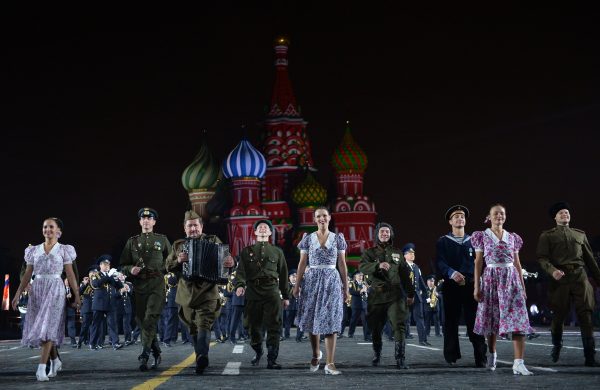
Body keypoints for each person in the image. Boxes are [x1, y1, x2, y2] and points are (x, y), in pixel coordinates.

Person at [11, 217, 81, 382]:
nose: (47, 229)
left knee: (48, 326)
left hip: (56, 289)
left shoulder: (65, 250)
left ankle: (41, 368)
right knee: (42, 327)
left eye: (51, 227)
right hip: (37, 290)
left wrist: (77, 295)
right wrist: (18, 292)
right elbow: (28, 273)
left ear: (59, 232)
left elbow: (70, 274)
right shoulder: (33, 250)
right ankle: (55, 360)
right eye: (44, 227)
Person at [165, 210, 234, 375]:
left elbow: (226, 260)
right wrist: (178, 261)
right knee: (193, 328)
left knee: (203, 323)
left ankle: (202, 356)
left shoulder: (213, 240)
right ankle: (200, 356)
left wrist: (231, 262)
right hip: (186, 294)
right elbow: (167, 266)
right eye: (190, 226)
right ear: (184, 228)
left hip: (208, 291)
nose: (193, 229)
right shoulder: (177, 245)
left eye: (196, 225)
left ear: (201, 226)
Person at [537, 202, 600, 367]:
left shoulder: (580, 235)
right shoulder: (547, 236)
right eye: (561, 213)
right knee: (558, 316)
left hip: (580, 277)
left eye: (567, 212)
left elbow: (590, 260)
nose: (565, 214)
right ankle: (557, 345)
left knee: (586, 315)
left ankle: (590, 356)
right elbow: (542, 258)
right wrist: (553, 271)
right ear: (555, 217)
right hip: (560, 280)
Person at [472, 204, 533, 375]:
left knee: (519, 319)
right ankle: (492, 354)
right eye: (495, 213)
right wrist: (477, 286)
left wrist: (522, 286)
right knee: (491, 319)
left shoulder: (513, 237)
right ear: (489, 217)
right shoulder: (481, 236)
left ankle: (519, 363)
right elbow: (478, 262)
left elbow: (517, 264)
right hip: (491, 278)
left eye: (502, 213)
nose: (499, 216)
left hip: (511, 280)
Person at [293, 207, 349, 375]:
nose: (322, 218)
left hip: (332, 280)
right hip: (311, 281)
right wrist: (296, 285)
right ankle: (316, 353)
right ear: (314, 219)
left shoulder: (338, 239)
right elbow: (302, 263)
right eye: (319, 216)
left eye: (325, 215)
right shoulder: (307, 239)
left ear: (330, 218)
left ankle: (330, 363)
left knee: (331, 320)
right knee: (312, 318)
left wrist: (346, 288)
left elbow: (342, 264)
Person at [120, 207, 172, 371]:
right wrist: (130, 270)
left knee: (150, 318)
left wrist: (169, 271)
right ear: (140, 221)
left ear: (154, 222)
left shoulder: (162, 240)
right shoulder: (132, 241)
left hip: (157, 284)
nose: (146, 221)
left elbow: (172, 261)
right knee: (143, 322)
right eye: (143, 218)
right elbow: (122, 265)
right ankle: (157, 352)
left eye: (149, 218)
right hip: (139, 286)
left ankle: (144, 354)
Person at [435, 205, 487, 367]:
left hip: (471, 286)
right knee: (450, 322)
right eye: (456, 216)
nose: (460, 218)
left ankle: (481, 356)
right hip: (451, 286)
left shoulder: (474, 240)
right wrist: (451, 273)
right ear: (450, 221)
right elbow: (439, 262)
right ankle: (451, 355)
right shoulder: (443, 241)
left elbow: (481, 263)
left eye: (462, 216)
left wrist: (478, 280)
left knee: (475, 322)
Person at [235, 219, 289, 369]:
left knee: (274, 325)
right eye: (260, 227)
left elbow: (283, 275)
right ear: (256, 232)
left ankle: (272, 359)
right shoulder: (247, 251)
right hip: (253, 291)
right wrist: (240, 285)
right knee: (252, 326)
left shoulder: (277, 252)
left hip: (272, 290)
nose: (263, 228)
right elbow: (241, 272)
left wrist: (285, 296)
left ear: (271, 232)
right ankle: (258, 350)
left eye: (266, 227)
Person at [360, 222, 415, 369]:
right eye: (382, 231)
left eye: (387, 232)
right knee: (376, 329)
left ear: (391, 234)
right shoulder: (369, 253)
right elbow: (362, 267)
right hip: (376, 296)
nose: (385, 234)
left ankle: (400, 358)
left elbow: (405, 275)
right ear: (377, 234)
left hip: (395, 294)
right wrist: (377, 265)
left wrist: (410, 293)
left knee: (399, 325)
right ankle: (377, 354)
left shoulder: (397, 253)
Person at [90, 255, 124, 350]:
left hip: (110, 303)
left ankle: (115, 343)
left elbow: (119, 286)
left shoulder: (110, 275)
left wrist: (117, 278)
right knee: (96, 325)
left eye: (108, 264)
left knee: (112, 324)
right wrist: (109, 276)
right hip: (99, 304)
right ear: (100, 265)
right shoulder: (95, 274)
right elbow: (96, 284)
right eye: (105, 264)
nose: (107, 266)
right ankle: (92, 343)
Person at [403, 243, 429, 346]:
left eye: (413, 253)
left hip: (417, 297)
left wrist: (426, 295)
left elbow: (421, 282)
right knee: (405, 318)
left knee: (420, 318)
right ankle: (403, 337)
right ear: (405, 256)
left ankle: (423, 340)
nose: (412, 255)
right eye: (409, 253)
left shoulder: (416, 267)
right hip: (405, 297)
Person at [348, 271, 370, 341]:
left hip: (364, 305)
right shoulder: (352, 283)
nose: (361, 277)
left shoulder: (364, 283)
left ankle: (366, 337)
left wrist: (367, 291)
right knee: (354, 320)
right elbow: (351, 292)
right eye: (359, 275)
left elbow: (368, 291)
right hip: (356, 305)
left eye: (362, 276)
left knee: (365, 321)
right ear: (355, 276)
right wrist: (360, 291)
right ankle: (350, 333)